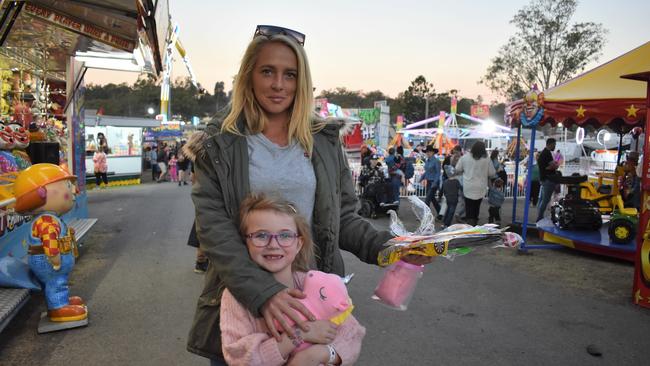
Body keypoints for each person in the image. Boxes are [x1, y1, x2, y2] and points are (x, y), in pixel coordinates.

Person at [185, 25, 432, 365]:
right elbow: (214, 233)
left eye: (290, 74)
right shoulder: (218, 143)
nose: (278, 84)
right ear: (248, 76)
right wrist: (264, 294)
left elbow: (342, 217)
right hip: (245, 304)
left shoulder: (323, 141)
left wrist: (389, 248)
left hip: (312, 303)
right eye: (267, 71)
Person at [221, 193, 365, 365]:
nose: (273, 245)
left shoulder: (316, 284)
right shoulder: (236, 295)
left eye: (285, 236)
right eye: (261, 235)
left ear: (299, 244)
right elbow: (239, 356)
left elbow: (352, 333)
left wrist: (322, 353)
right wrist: (300, 334)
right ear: (245, 243)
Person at [454, 141, 496, 226]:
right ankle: (474, 222)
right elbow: (492, 173)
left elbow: (457, 169)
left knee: (469, 206)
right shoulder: (487, 159)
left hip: (468, 186)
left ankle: (470, 223)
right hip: (480, 187)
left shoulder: (465, 157)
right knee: (477, 206)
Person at [536, 138, 558, 222]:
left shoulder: (543, 153)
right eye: (554, 144)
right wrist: (555, 165)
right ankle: (540, 217)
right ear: (550, 144)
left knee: (542, 199)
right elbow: (554, 166)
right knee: (545, 200)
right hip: (548, 179)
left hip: (543, 178)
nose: (555, 146)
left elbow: (549, 166)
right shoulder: (547, 153)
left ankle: (539, 215)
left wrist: (551, 166)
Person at [420, 145, 441, 215]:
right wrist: (422, 178)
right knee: (432, 199)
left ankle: (426, 216)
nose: (428, 153)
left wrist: (435, 183)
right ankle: (440, 212)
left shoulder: (436, 161)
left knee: (427, 199)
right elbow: (427, 171)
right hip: (428, 182)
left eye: (429, 152)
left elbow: (438, 173)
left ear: (433, 152)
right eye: (427, 152)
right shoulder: (427, 161)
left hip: (434, 182)